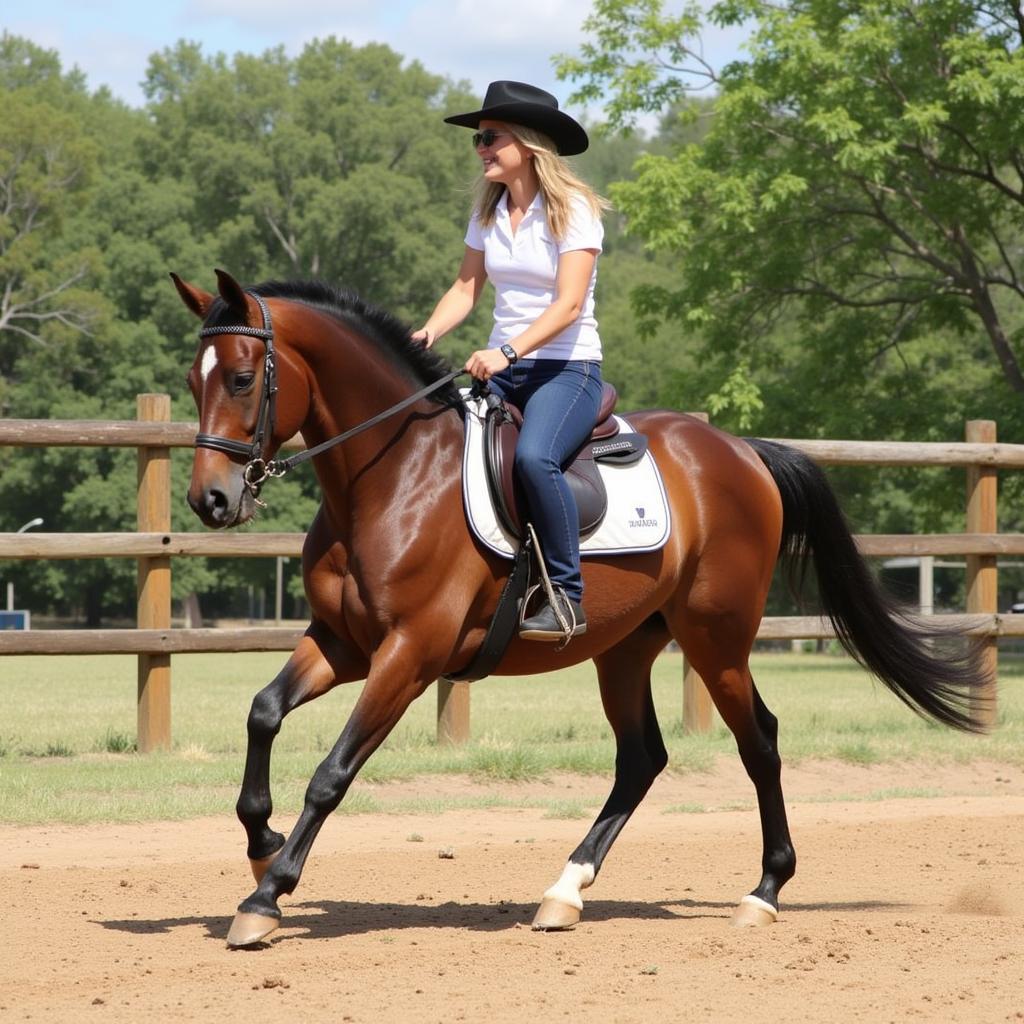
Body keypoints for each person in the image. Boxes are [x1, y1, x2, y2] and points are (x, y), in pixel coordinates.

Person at [413, 80, 609, 642]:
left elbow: (569, 305)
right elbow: (464, 289)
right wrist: (424, 333)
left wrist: (507, 351)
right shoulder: (489, 214)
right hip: (502, 369)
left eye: (490, 137)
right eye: (477, 139)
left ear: (528, 143)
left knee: (533, 461)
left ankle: (566, 598)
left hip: (566, 371)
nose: (480, 148)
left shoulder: (572, 210)